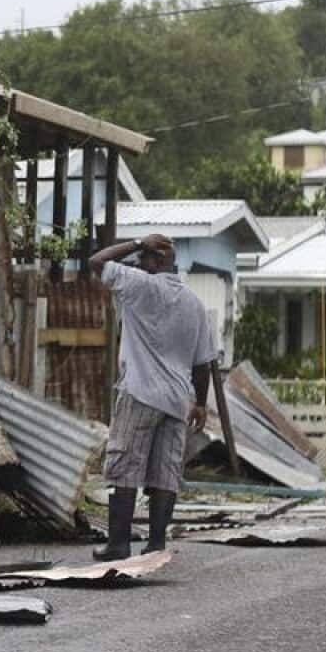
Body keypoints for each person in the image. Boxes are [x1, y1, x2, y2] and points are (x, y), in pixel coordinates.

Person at [89, 233, 218, 561]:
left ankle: (118, 544)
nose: (137, 263)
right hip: (177, 401)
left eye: (144, 258)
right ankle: (156, 543)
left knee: (125, 466)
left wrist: (135, 242)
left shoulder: (140, 286)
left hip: (140, 392)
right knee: (165, 472)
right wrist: (200, 403)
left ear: (158, 261)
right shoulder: (194, 304)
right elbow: (204, 363)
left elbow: (97, 262)